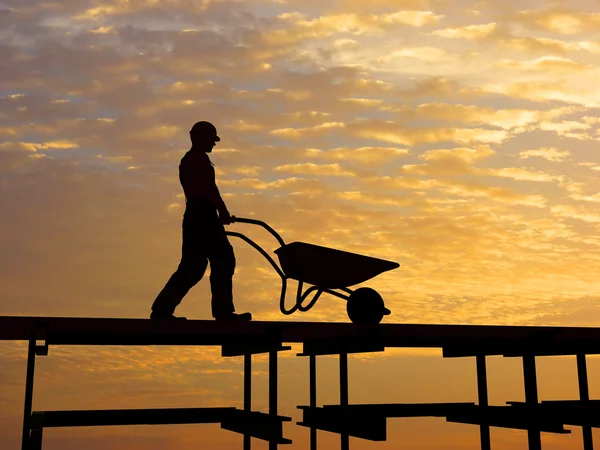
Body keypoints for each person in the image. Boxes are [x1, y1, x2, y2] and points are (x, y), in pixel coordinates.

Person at [150, 121, 252, 321]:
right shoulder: (197, 161)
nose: (213, 144)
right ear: (200, 138)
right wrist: (222, 212)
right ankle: (222, 313)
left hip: (196, 217)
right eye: (211, 140)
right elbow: (209, 190)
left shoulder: (191, 159)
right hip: (203, 217)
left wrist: (219, 214)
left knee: (193, 267)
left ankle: (162, 309)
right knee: (223, 260)